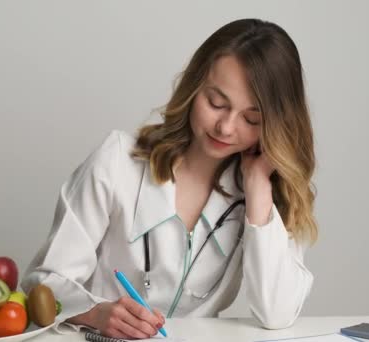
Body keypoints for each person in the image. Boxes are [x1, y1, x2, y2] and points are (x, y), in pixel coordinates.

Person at [21, 18, 317, 339]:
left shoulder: (267, 195)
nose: (226, 128)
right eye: (216, 103)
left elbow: (277, 313)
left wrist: (258, 188)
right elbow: (43, 283)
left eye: (251, 118)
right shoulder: (118, 161)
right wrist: (95, 312)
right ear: (193, 88)